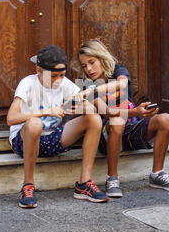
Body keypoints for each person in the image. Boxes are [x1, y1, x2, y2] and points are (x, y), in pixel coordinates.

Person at [72, 39, 169, 198]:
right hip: (107, 134)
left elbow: (122, 85)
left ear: (102, 58)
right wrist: (136, 112)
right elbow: (108, 112)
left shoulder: (118, 71)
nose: (88, 69)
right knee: (117, 121)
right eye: (84, 65)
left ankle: (157, 174)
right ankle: (112, 179)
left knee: (165, 119)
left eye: (92, 62)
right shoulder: (85, 84)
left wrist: (94, 89)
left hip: (131, 129)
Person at [7, 45, 109, 208]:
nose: (59, 80)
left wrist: (79, 107)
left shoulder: (64, 83)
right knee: (35, 123)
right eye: (54, 76)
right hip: (25, 142)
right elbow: (11, 119)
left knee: (94, 118)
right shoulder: (27, 83)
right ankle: (28, 185)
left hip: (52, 141)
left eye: (62, 75)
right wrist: (47, 111)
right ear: (39, 70)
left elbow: (95, 108)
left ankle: (83, 184)